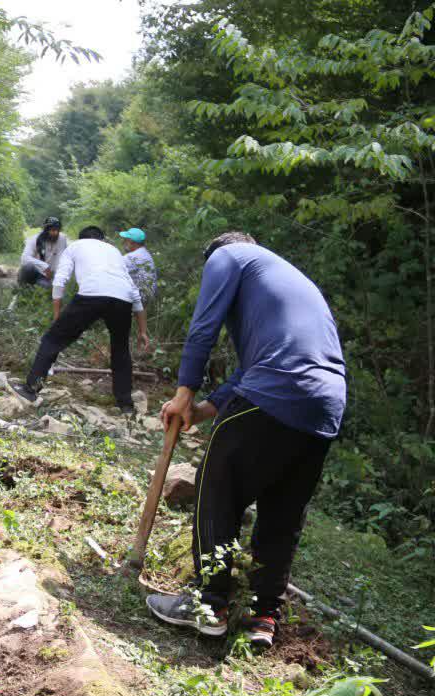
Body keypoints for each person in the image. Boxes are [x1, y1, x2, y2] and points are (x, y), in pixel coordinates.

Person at [147, 233, 347, 650]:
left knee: (215, 488)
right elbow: (254, 364)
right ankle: (263, 616)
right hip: (325, 407)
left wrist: (184, 391)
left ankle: (208, 606)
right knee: (282, 513)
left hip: (277, 390)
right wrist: (204, 408)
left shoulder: (228, 256)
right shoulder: (284, 277)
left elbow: (204, 325)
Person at [11, 225, 151, 413]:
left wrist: (57, 316)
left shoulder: (75, 246)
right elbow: (134, 292)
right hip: (122, 299)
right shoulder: (114, 251)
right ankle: (125, 404)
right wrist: (142, 331)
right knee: (121, 350)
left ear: (81, 237)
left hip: (91, 294)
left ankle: (31, 389)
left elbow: (60, 280)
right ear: (102, 239)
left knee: (52, 340)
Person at [19, 216, 68, 288]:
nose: (56, 233)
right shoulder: (35, 239)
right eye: (53, 230)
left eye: (57, 230)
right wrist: (45, 266)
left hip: (50, 277)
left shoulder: (62, 239)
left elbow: (60, 260)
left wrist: (56, 278)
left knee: (46, 287)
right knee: (27, 268)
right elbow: (24, 258)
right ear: (46, 230)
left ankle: (35, 288)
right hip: (36, 272)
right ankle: (22, 288)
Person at [120, 227, 157, 306]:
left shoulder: (132, 257)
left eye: (125, 240)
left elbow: (115, 269)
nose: (123, 242)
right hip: (148, 294)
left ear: (131, 242)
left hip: (140, 296)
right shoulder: (145, 253)